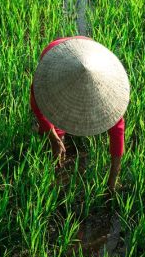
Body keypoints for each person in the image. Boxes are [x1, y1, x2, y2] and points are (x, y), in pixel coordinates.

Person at [30, 36, 130, 192]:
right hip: (58, 53)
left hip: (91, 55)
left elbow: (117, 133)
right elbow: (38, 105)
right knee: (52, 128)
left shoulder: (109, 98)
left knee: (56, 128)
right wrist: (54, 138)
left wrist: (113, 179)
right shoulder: (48, 78)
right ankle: (55, 157)